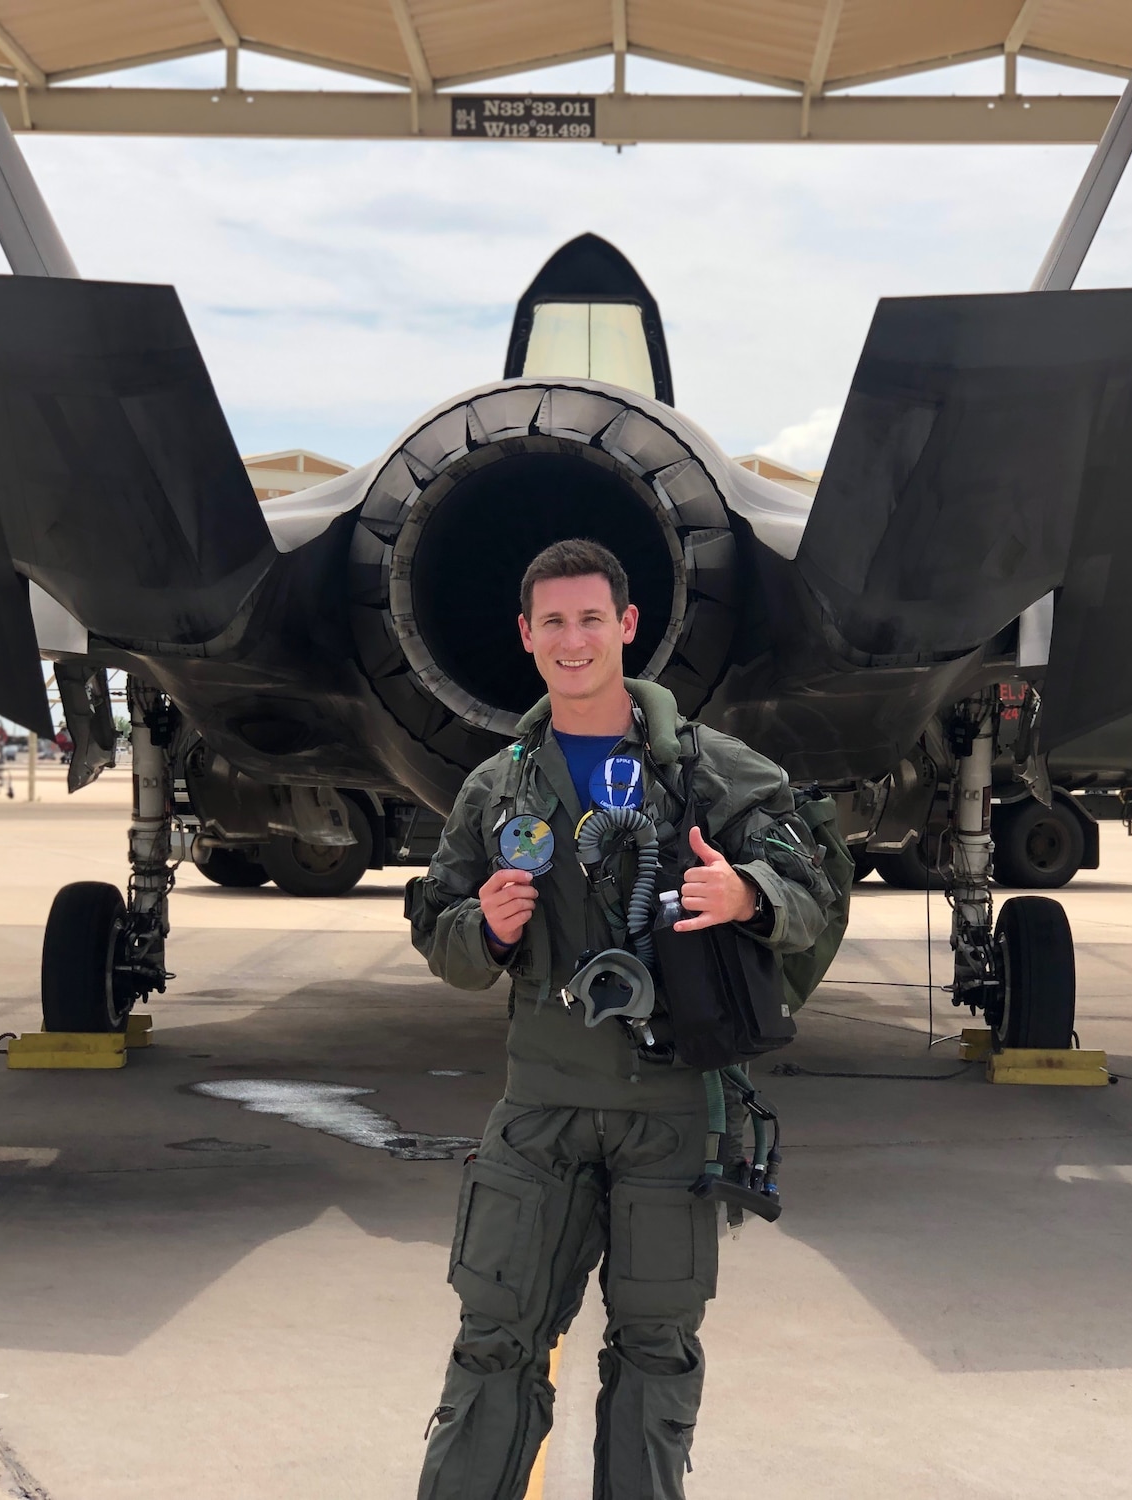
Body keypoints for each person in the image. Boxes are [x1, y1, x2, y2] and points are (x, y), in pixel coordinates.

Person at [407, 538, 836, 1499]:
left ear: (628, 627)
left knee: (654, 1355)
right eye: (552, 621)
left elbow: (813, 892)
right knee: (494, 1343)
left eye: (591, 618)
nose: (573, 639)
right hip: (542, 1109)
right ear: (525, 636)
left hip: (673, 1111)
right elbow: (438, 927)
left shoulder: (714, 774)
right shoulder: (497, 790)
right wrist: (491, 930)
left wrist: (748, 895)